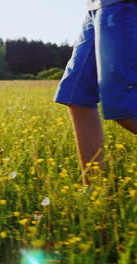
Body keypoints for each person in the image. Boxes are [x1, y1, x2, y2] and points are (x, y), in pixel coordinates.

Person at [54, 0, 136, 184]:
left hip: (121, 4)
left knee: (125, 106)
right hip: (95, 6)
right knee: (76, 95)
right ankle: (95, 193)